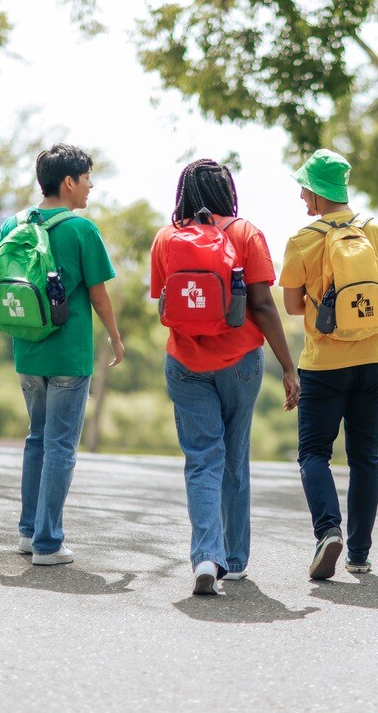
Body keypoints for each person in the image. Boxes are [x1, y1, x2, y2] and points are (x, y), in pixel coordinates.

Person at [0, 144, 125, 566]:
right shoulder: (81, 230)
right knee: (59, 445)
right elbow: (99, 295)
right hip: (69, 357)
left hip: (28, 355)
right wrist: (115, 338)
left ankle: (27, 530)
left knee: (36, 438)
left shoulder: (12, 226)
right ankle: (48, 542)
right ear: (69, 182)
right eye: (88, 178)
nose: (91, 186)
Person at [151, 158, 300, 596]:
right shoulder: (246, 233)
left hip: (184, 363)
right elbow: (264, 306)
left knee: (201, 459)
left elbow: (164, 303)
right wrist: (289, 367)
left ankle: (204, 556)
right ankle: (234, 561)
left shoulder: (166, 238)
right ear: (227, 192)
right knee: (234, 456)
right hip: (239, 363)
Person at [279, 148, 378, 580]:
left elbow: (294, 307)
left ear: (316, 193)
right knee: (365, 457)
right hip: (374, 359)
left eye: (304, 189)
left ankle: (327, 530)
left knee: (314, 452)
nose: (301, 197)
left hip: (322, 363)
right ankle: (359, 554)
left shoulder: (301, 241)